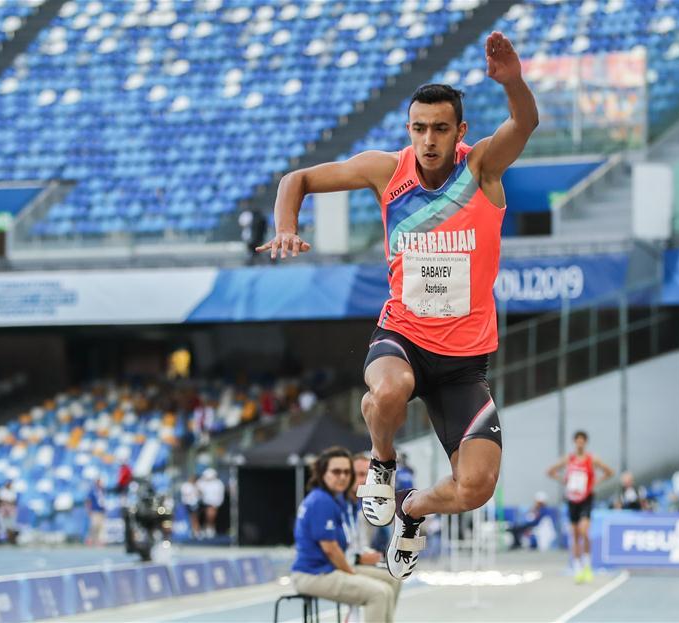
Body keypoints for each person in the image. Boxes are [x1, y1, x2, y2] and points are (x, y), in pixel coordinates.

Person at [257, 31, 538, 580]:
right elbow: (299, 178)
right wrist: (286, 227)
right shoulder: (386, 171)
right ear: (408, 129)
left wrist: (514, 84)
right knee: (387, 391)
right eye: (418, 128)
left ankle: (410, 510)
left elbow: (524, 124)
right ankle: (381, 465)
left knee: (476, 489)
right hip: (403, 336)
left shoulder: (482, 170)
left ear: (460, 131)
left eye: (439, 128)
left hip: (463, 364)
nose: (428, 140)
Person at [291, 447, 397, 623]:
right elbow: (331, 549)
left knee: (390, 583)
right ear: (323, 473)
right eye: (336, 471)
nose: (343, 476)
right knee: (378, 593)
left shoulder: (334, 499)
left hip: (329, 569)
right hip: (313, 574)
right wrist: (352, 574)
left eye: (347, 472)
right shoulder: (321, 500)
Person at [547, 431, 615, 583]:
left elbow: (610, 472)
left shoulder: (592, 459)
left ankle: (587, 565)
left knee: (584, 531)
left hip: (586, 498)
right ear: (574, 442)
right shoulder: (569, 459)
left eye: (582, 441)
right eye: (577, 441)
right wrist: (565, 481)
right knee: (575, 534)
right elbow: (550, 471)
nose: (580, 444)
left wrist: (595, 483)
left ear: (585, 443)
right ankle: (577, 569)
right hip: (572, 499)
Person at [345, 453, 401, 621]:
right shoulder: (339, 504)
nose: (363, 480)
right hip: (342, 565)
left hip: (358, 560)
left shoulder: (364, 505)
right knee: (380, 591)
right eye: (359, 475)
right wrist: (359, 558)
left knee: (395, 578)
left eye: (366, 475)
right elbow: (334, 549)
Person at [196, 468, 225, 538]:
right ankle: (203, 529)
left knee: (211, 516)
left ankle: (209, 528)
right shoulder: (201, 482)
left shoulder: (218, 483)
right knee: (202, 516)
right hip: (203, 503)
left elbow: (220, 495)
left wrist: (217, 504)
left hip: (214, 504)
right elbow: (198, 490)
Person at [86, 479, 106, 546]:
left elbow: (103, 501)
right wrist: (89, 510)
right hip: (95, 511)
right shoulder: (92, 491)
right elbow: (88, 500)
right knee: (94, 526)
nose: (101, 484)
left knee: (101, 527)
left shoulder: (102, 491)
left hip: (101, 511)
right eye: (100, 482)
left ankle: (99, 541)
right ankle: (90, 540)